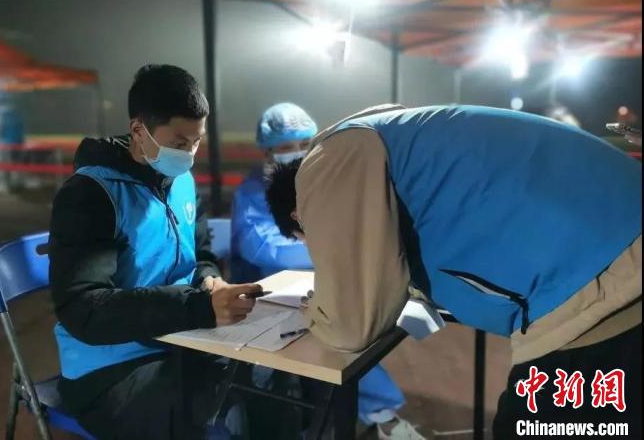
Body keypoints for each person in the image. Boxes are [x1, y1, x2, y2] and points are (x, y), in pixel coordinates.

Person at [265, 104, 641, 438]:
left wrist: (317, 309)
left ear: (301, 214)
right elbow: (409, 279)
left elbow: (351, 328)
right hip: (608, 253)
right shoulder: (388, 139)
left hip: (600, 280)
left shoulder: (331, 162)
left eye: (307, 238)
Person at [49, 65, 263, 439]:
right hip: (110, 364)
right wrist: (197, 306)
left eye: (196, 142)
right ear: (138, 130)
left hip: (179, 336)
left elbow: (200, 254)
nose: (189, 154)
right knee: (197, 417)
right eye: (179, 143)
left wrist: (209, 280)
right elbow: (84, 309)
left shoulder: (182, 181)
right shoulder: (91, 195)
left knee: (266, 383)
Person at [232, 103, 424, 440]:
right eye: (286, 146)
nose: (297, 152)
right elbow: (263, 249)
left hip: (315, 287)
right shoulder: (250, 192)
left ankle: (379, 416)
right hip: (264, 301)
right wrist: (331, 247)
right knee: (325, 351)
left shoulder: (322, 180)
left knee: (349, 340)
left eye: (305, 143)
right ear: (267, 151)